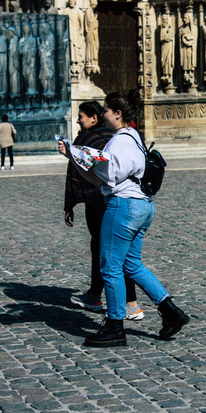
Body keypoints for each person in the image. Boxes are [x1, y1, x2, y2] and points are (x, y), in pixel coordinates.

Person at [58, 90, 190, 347]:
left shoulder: (118, 142)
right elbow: (98, 180)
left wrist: (78, 155)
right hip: (143, 206)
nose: (103, 114)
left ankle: (115, 325)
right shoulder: (134, 137)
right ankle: (171, 311)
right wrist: (72, 157)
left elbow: (105, 177)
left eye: (106, 110)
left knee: (109, 266)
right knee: (132, 265)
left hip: (123, 207)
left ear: (117, 114)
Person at [64, 101, 144, 320]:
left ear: (94, 118)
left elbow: (89, 173)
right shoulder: (123, 136)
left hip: (104, 200)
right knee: (116, 252)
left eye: (81, 116)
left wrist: (72, 155)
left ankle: (119, 306)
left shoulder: (93, 140)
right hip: (126, 200)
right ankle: (127, 302)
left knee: (107, 253)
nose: (78, 120)